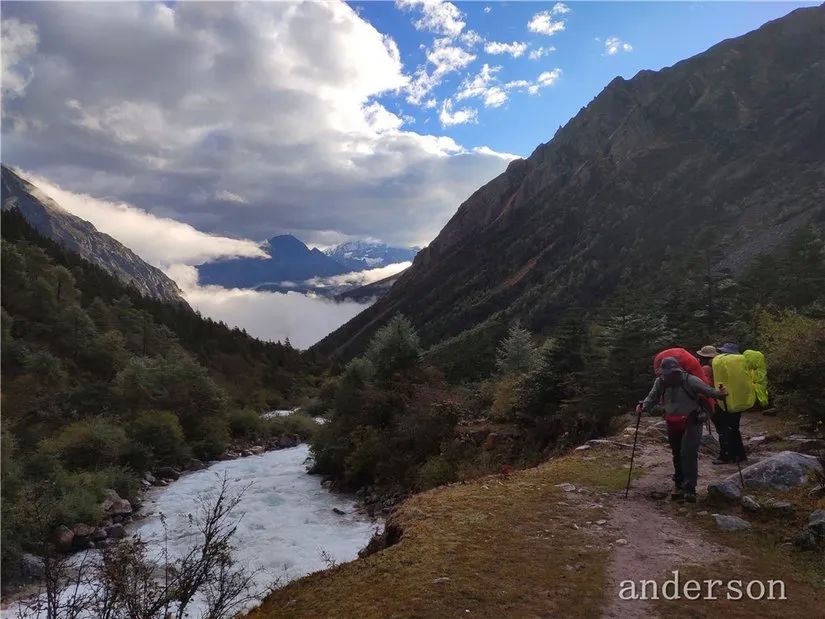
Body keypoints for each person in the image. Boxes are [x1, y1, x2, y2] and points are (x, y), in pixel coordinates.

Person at [636, 357, 728, 503]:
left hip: (692, 421)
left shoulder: (690, 380)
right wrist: (643, 406)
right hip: (672, 421)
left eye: (671, 372)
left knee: (688, 453)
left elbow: (709, 392)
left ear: (678, 370)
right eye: (666, 373)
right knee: (677, 453)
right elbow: (652, 397)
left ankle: (689, 488)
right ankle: (678, 483)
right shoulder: (660, 382)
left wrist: (721, 393)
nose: (669, 375)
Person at [713, 342, 748, 464]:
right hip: (737, 401)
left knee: (724, 429)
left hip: (726, 401)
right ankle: (740, 455)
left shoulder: (722, 364)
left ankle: (726, 456)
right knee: (734, 428)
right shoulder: (740, 364)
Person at [696, 345, 730, 464]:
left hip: (714, 401)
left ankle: (724, 455)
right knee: (726, 427)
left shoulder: (705, 368)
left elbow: (706, 386)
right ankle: (733, 453)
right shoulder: (717, 366)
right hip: (724, 399)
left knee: (721, 428)